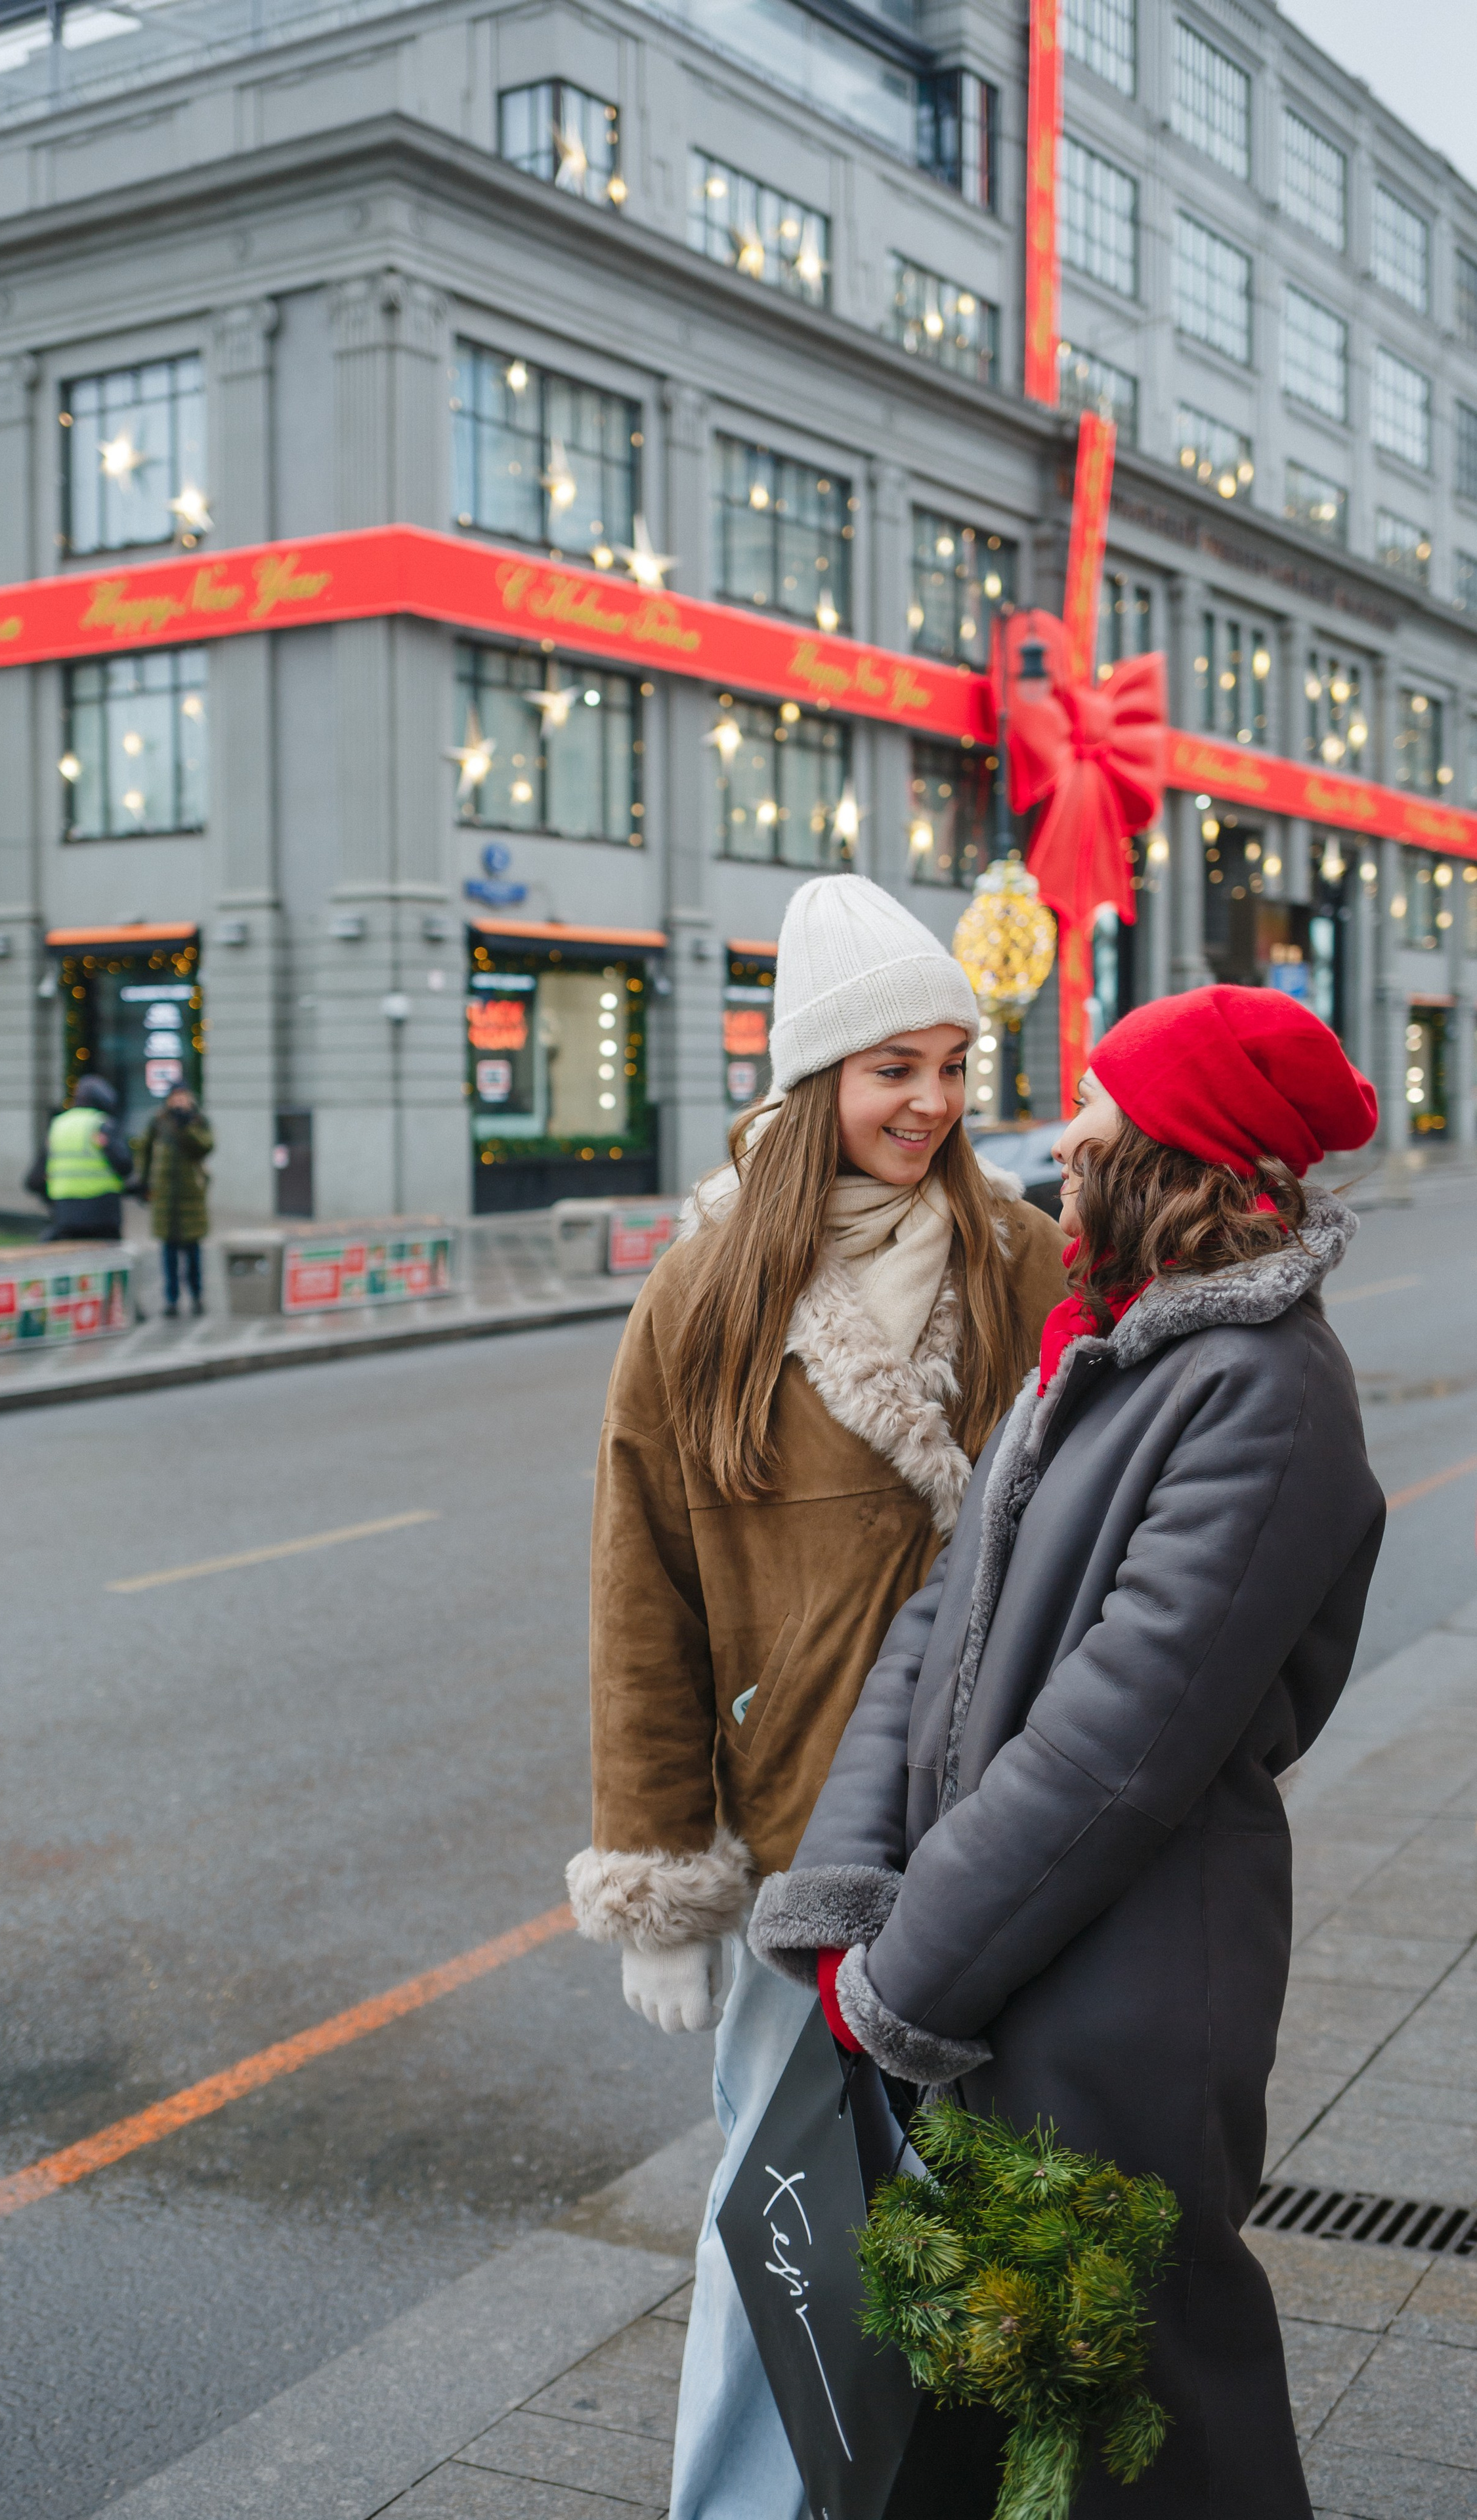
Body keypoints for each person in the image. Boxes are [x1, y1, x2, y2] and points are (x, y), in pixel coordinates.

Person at [752, 984, 1385, 2518]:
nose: (1063, 1136)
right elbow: (933, 1624)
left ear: (1177, 1150)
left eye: (1099, 1107)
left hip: (1124, 1989)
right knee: (1008, 2409)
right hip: (1001, 1953)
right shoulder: (1093, 1346)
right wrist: (847, 1889)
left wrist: (904, 1976)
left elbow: (1115, 1747)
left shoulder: (1264, 1391)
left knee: (1147, 2408)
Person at [564, 874, 1069, 2520]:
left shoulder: (1019, 1256)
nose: (928, 1101)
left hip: (999, 1839)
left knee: (995, 2229)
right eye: (888, 1068)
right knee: (782, 2220)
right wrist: (658, 1873)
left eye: (949, 1064)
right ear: (811, 1084)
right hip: (800, 1865)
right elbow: (644, 1596)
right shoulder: (702, 1299)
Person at [135, 1084, 215, 1318]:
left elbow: (206, 1147)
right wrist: (144, 1183)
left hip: (191, 1197)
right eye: (176, 1097)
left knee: (193, 1253)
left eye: (184, 1097)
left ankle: (197, 1296)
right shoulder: (159, 1121)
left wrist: (186, 1126)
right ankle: (171, 1300)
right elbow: (145, 1151)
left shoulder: (198, 1121)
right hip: (165, 1198)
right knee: (168, 1253)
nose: (179, 1102)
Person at [28, 1076, 134, 1243]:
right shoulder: (102, 1124)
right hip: (103, 1213)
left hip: (65, 1213)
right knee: (106, 1263)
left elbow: (34, 1179)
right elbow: (125, 1166)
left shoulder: (58, 1125)